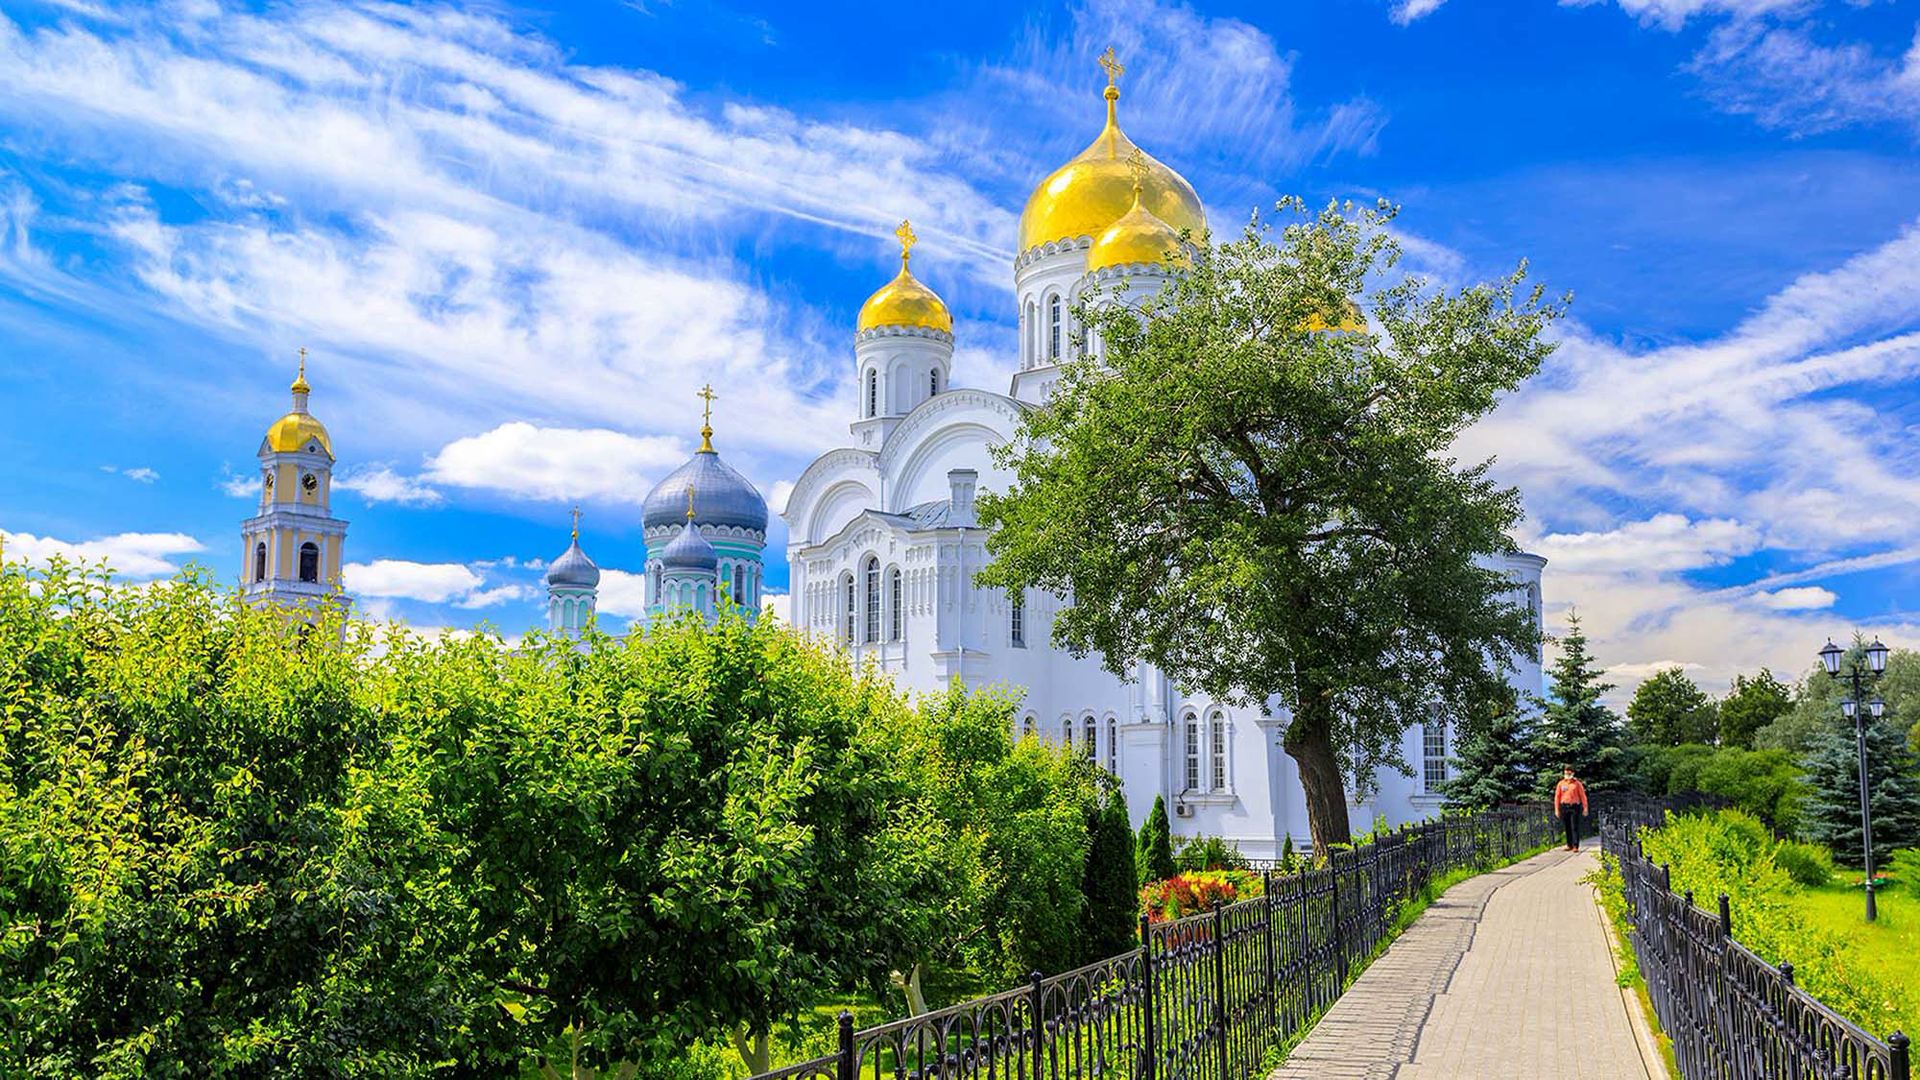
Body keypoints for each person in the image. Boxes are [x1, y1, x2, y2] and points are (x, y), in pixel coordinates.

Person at [1554, 765, 1589, 851]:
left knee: (1574, 826)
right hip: (1564, 806)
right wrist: (1557, 809)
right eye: (1566, 772)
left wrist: (1585, 808)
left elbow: (1583, 796)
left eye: (1569, 773)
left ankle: (1575, 846)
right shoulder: (1561, 784)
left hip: (1574, 806)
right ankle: (1569, 844)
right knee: (1567, 826)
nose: (1567, 774)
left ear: (1572, 773)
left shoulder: (1577, 784)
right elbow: (1557, 797)